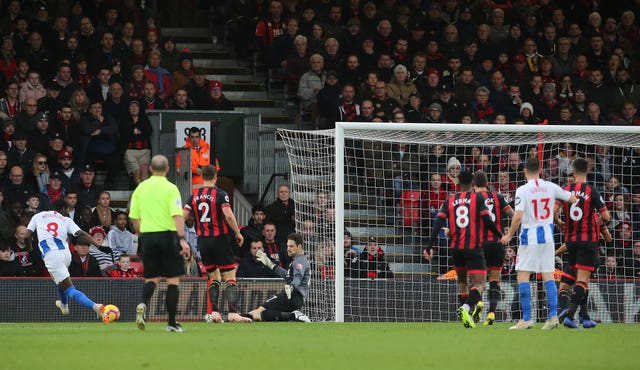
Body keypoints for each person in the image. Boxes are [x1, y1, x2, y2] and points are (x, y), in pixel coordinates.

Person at [500, 157, 577, 330]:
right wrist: (556, 214)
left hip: (530, 237)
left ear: (525, 171)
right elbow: (572, 199)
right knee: (548, 276)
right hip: (548, 237)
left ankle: (527, 319)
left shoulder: (522, 190)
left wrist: (509, 235)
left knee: (522, 276)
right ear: (540, 170)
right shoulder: (551, 186)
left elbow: (518, 215)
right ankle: (553, 317)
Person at [426, 171, 503, 329]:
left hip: (455, 248)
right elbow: (488, 221)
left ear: (458, 181)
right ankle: (466, 308)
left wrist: (429, 246)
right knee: (479, 284)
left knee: (462, 282)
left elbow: (438, 224)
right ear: (472, 183)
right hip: (473, 247)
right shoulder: (478, 198)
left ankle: (466, 319)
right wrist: (499, 234)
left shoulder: (450, 200)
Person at [129, 155, 191, 332]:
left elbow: (133, 216)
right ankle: (171, 323)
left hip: (148, 236)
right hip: (168, 235)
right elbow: (177, 215)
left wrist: (142, 234)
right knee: (172, 281)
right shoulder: (171, 188)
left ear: (150, 169)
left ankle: (142, 303)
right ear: (167, 169)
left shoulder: (141, 188)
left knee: (152, 278)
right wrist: (182, 239)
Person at [183, 164, 249, 323]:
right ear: (215, 177)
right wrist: (238, 232)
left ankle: (215, 313)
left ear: (202, 176)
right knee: (230, 276)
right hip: (219, 238)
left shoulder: (193, 195)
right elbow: (229, 216)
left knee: (213, 276)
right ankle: (233, 314)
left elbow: (182, 216)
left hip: (203, 241)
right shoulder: (220, 194)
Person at [25, 199, 106, 319]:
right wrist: (99, 246)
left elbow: (27, 235)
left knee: (69, 289)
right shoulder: (66, 219)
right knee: (61, 280)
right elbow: (81, 234)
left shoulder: (38, 216)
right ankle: (64, 305)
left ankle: (95, 306)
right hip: (66, 254)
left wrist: (30, 250)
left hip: (52, 255)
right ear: (64, 209)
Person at [555, 158, 611, 329]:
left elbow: (552, 212)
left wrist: (559, 222)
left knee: (574, 282)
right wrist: (601, 222)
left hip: (570, 242)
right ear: (588, 171)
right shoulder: (591, 191)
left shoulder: (566, 189)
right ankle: (570, 314)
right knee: (582, 282)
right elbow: (607, 217)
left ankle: (583, 317)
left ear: (572, 171)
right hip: (587, 242)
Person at [473, 171, 514, 326]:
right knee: (495, 280)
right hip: (497, 245)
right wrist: (509, 233)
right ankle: (491, 312)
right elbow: (512, 214)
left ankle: (479, 304)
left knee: (479, 282)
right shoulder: (498, 197)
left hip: (479, 245)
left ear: (473, 184)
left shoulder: (472, 199)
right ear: (487, 183)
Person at [242, 232, 311, 322]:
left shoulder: (299, 261)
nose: (288, 249)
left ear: (299, 247)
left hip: (292, 296)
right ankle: (238, 317)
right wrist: (269, 263)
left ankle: (294, 316)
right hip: (294, 298)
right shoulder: (298, 260)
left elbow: (297, 278)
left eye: (291, 246)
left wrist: (291, 287)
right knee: (255, 313)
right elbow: (287, 275)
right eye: (287, 246)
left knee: (258, 314)